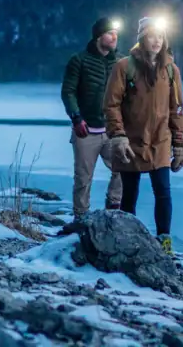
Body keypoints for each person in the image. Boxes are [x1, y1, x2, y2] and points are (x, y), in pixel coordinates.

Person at [103, 15, 183, 256]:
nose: (157, 41)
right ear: (142, 38)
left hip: (160, 142)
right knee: (129, 194)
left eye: (161, 37)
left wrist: (179, 144)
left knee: (163, 191)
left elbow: (177, 109)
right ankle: (128, 241)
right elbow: (111, 104)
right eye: (152, 36)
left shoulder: (171, 70)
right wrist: (118, 135)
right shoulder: (124, 67)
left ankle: (164, 241)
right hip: (130, 142)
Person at [61, 16, 124, 219]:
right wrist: (76, 117)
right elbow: (68, 92)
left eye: (116, 33)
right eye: (110, 33)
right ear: (99, 36)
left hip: (113, 129)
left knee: (123, 168)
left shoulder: (121, 62)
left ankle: (113, 209)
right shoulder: (79, 60)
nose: (115, 37)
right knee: (83, 178)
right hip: (86, 130)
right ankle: (80, 216)